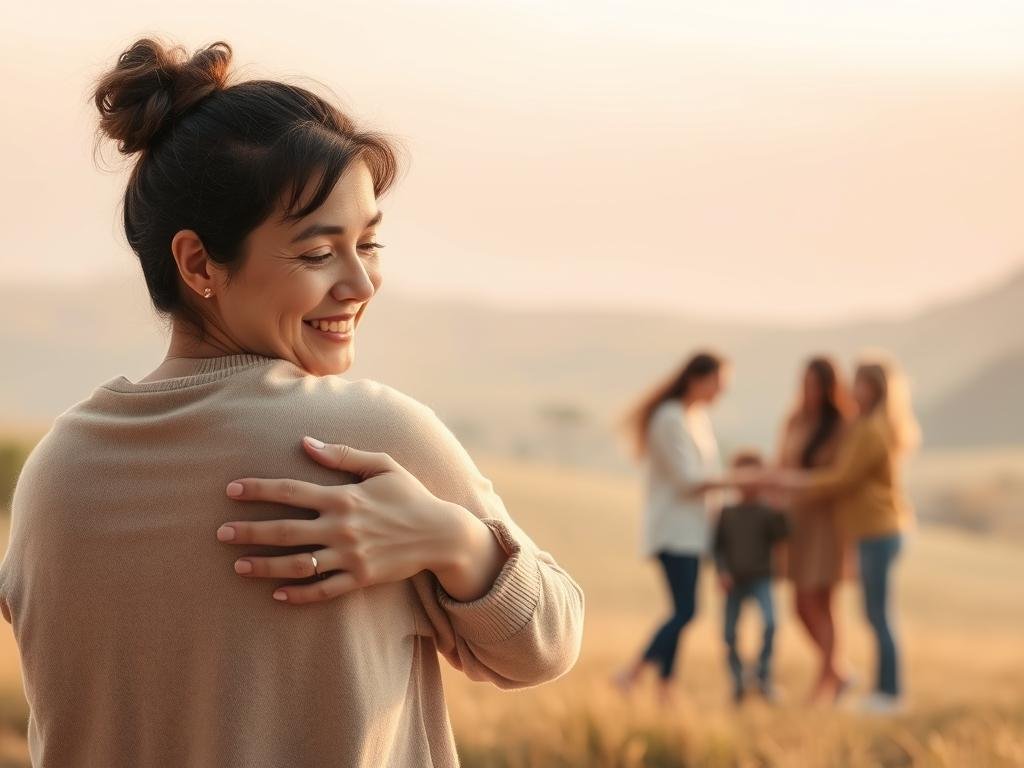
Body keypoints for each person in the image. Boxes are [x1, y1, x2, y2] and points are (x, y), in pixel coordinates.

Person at [0, 37, 584, 767]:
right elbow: (545, 646)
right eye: (317, 253)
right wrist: (457, 541)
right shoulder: (368, 439)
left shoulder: (59, 467)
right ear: (197, 263)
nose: (360, 284)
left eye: (368, 244)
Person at [779, 353, 920, 714]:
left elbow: (842, 479)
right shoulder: (863, 425)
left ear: (877, 390)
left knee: (879, 615)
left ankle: (889, 694)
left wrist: (796, 482)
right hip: (870, 530)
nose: (854, 390)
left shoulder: (871, 430)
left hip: (878, 529)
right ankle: (874, 688)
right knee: (875, 614)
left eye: (861, 384)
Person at [610, 350, 743, 707]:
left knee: (680, 611)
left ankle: (664, 688)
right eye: (718, 383)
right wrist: (740, 479)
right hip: (674, 532)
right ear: (698, 379)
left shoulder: (694, 418)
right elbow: (688, 481)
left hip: (693, 533)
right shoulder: (669, 419)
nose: (721, 392)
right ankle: (632, 673)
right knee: (686, 611)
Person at [774, 356, 855, 704]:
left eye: (814, 385)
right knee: (800, 605)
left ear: (828, 388)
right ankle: (839, 673)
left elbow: (841, 477)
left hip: (826, 523)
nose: (808, 392)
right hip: (797, 522)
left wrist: (801, 483)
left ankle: (825, 682)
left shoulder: (842, 425)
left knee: (823, 602)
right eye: (804, 384)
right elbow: (781, 465)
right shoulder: (794, 420)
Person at [712, 449, 789, 705]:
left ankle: (762, 676)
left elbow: (783, 535)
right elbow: (718, 547)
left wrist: (778, 506)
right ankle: (738, 682)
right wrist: (721, 572)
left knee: (770, 623)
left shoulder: (765, 511)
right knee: (729, 633)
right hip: (734, 580)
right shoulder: (727, 512)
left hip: (761, 578)